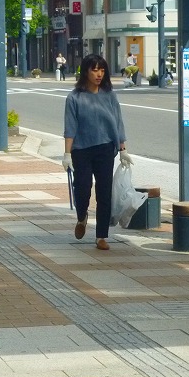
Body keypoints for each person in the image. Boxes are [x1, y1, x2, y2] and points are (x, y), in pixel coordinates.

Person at [62, 54, 133, 251]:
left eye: (102, 70)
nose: (99, 74)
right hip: (81, 150)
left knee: (104, 192)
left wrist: (123, 149)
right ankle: (82, 216)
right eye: (94, 70)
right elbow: (70, 128)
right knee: (82, 187)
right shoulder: (74, 98)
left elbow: (118, 123)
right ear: (86, 72)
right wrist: (67, 154)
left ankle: (101, 236)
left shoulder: (110, 96)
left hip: (105, 148)